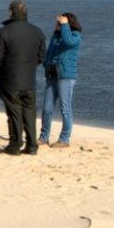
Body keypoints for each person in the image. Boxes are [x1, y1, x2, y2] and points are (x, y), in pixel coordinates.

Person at [0, 0, 45, 155]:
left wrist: (1, 72)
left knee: (14, 112)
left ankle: (15, 145)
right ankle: (32, 145)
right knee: (29, 112)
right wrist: (29, 66)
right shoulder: (37, 32)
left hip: (10, 80)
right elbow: (41, 57)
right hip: (29, 80)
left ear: (10, 13)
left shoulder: (3, 32)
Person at [39, 12, 83, 148]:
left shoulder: (75, 36)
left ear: (68, 23)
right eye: (58, 23)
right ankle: (43, 137)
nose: (56, 25)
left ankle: (64, 139)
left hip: (66, 76)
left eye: (60, 23)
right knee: (47, 108)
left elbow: (68, 41)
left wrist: (64, 25)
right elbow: (50, 52)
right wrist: (46, 64)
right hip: (52, 74)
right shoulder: (56, 35)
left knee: (65, 108)